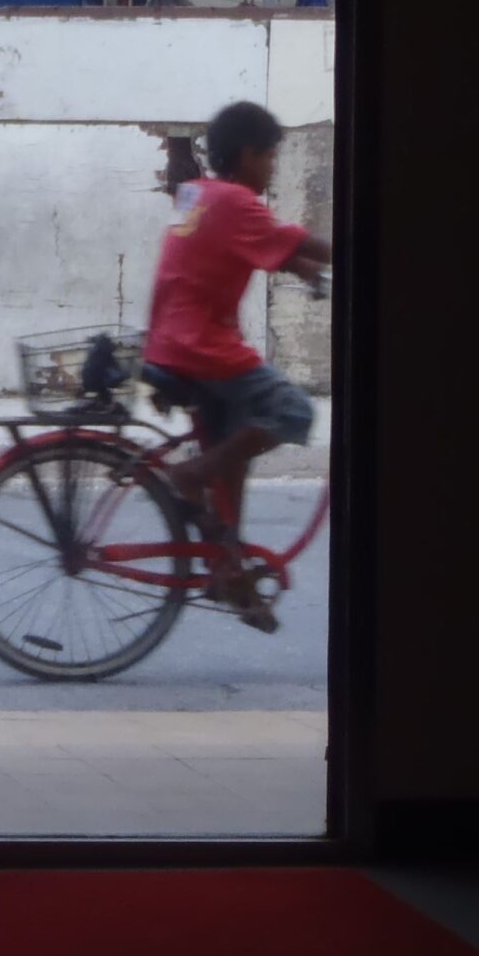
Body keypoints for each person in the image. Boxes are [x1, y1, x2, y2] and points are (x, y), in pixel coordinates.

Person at [143, 101, 332, 629]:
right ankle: (192, 473)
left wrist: (308, 273)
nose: (273, 166)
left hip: (167, 342)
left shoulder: (196, 195)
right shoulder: (240, 204)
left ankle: (226, 570)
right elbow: (294, 240)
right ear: (250, 155)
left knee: (235, 454)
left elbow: (265, 248)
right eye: (271, 156)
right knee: (293, 411)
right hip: (205, 349)